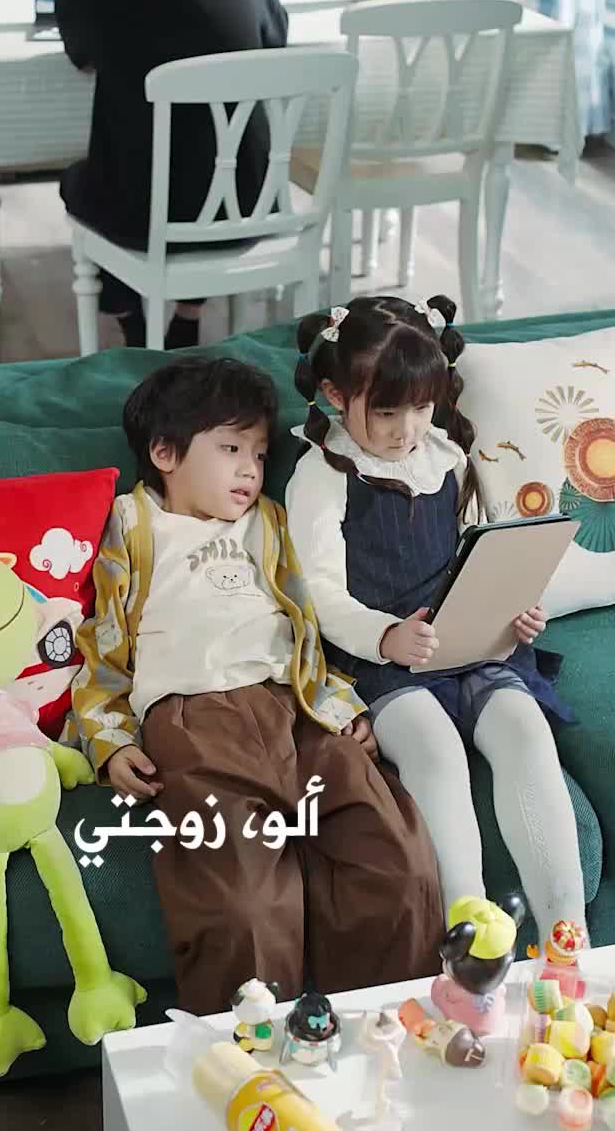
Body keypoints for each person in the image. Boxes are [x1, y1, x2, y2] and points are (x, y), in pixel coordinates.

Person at [67, 356, 443, 1014]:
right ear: (164, 453)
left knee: (396, 865)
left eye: (260, 454)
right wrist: (110, 739)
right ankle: (251, 1051)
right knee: (241, 904)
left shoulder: (269, 521)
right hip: (195, 721)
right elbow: (103, 643)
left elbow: (304, 624)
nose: (250, 469)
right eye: (231, 449)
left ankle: (383, 1028)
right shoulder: (135, 523)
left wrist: (338, 704)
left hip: (294, 709)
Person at [284, 295, 587, 945]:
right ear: (335, 395)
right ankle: (468, 935)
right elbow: (319, 594)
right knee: (437, 752)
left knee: (527, 733)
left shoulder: (447, 456)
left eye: (421, 408)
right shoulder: (321, 474)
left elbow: (481, 553)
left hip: (469, 643)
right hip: (382, 660)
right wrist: (386, 636)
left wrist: (512, 610)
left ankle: (568, 936)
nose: (406, 430)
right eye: (386, 412)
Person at [56, 0, 288, 351]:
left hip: (144, 218)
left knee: (85, 179)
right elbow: (275, 39)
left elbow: (80, 56)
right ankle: (187, 315)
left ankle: (133, 327)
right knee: (188, 161)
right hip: (251, 202)